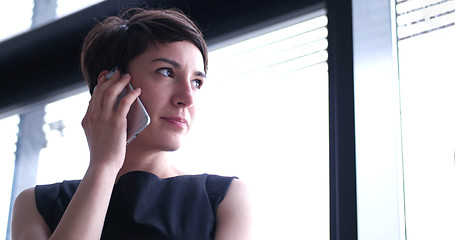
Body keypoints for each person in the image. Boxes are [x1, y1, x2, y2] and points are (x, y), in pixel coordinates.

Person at [11, 8, 252, 240]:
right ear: (111, 84)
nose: (187, 98)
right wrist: (103, 165)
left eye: (197, 82)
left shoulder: (224, 198)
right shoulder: (37, 205)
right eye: (166, 72)